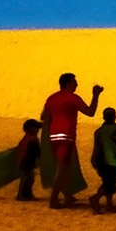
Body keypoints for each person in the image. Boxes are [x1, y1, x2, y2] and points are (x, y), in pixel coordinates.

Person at [41, 73, 102, 209]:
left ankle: (68, 197)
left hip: (53, 136)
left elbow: (43, 116)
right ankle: (54, 199)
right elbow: (90, 112)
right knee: (62, 167)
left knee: (66, 167)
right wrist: (96, 95)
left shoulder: (52, 98)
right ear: (68, 83)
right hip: (66, 135)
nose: (76, 84)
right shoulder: (72, 98)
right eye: (74, 82)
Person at [87, 107, 116, 213]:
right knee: (109, 183)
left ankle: (109, 204)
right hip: (111, 161)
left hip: (100, 160)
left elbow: (96, 147)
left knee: (107, 181)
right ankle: (96, 198)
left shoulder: (99, 131)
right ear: (114, 117)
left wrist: (94, 159)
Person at [14, 118, 42, 201]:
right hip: (27, 163)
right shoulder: (32, 140)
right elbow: (37, 153)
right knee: (27, 178)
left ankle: (27, 194)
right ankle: (22, 195)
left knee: (29, 178)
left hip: (24, 162)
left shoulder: (27, 138)